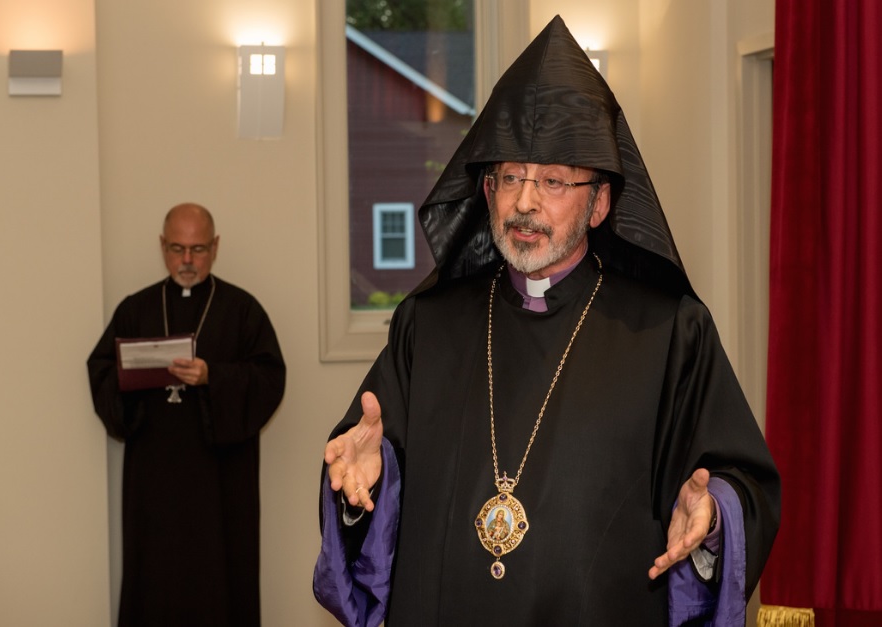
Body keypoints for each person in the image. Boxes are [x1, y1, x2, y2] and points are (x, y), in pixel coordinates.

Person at [313, 16, 780, 627]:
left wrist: (713, 513)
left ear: (600, 202)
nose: (525, 202)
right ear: (487, 191)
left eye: (554, 181)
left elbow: (742, 480)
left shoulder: (670, 332)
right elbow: (367, 469)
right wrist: (362, 487)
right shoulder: (426, 326)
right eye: (510, 177)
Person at [88, 203, 285, 626]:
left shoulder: (242, 310)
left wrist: (214, 376)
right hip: (153, 482)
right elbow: (100, 371)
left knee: (221, 584)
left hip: (221, 484)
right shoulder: (135, 309)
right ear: (163, 246)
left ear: (216, 247)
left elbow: (270, 378)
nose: (188, 260)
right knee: (153, 583)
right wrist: (133, 377)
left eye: (198, 249)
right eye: (177, 249)